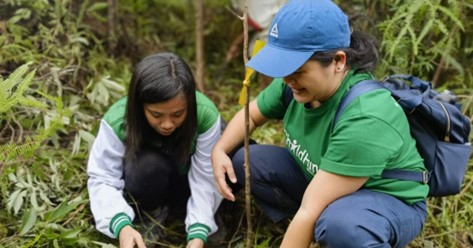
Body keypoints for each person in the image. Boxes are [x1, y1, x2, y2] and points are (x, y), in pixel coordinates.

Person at [211, 0, 428, 247]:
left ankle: (345, 234)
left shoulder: (366, 116)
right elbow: (251, 114)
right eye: (282, 67)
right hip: (320, 180)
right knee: (246, 160)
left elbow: (309, 208)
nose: (287, 79)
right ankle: (318, 231)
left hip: (386, 200)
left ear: (338, 61)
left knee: (343, 227)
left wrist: (310, 217)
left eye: (297, 70)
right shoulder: (293, 83)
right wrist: (219, 150)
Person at [87, 52, 223, 248]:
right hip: (150, 178)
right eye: (156, 114)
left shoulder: (205, 115)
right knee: (147, 167)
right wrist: (122, 226)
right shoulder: (117, 120)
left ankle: (209, 216)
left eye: (177, 114)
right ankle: (151, 213)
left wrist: (199, 232)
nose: (167, 124)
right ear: (140, 105)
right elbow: (102, 177)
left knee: (232, 158)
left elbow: (206, 175)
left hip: (186, 179)